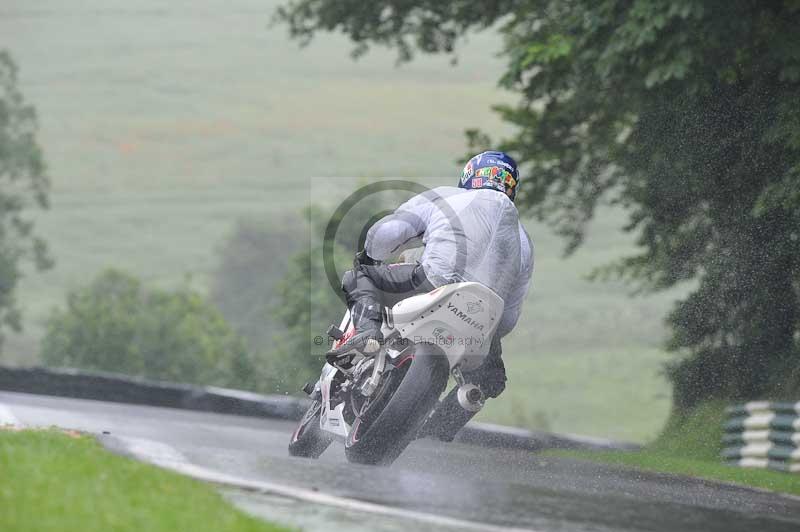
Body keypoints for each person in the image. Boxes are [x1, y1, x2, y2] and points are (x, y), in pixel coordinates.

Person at [328, 151, 534, 441]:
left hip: (433, 282)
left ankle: (369, 333)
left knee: (358, 277)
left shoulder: (446, 197)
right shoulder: (524, 241)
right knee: (490, 379)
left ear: (469, 177)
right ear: (511, 187)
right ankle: (444, 423)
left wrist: (370, 256)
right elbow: (510, 314)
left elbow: (391, 232)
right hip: (486, 314)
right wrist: (492, 336)